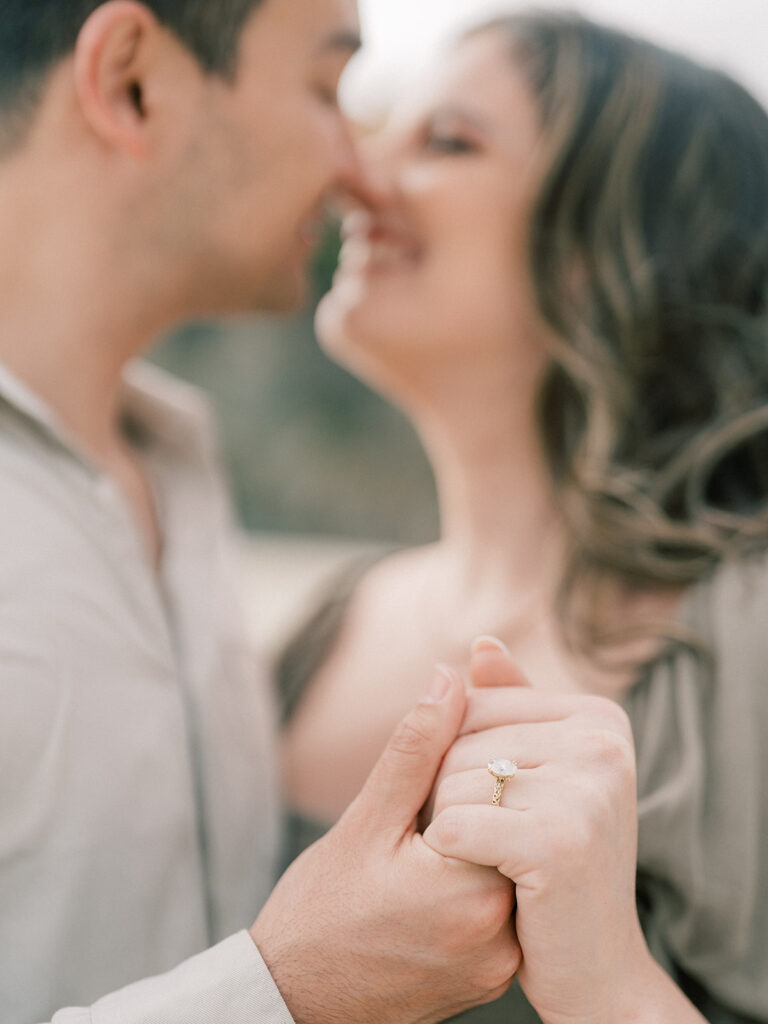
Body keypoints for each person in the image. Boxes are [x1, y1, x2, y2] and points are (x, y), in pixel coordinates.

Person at [0, 1, 525, 1022]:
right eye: (328, 90)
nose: (358, 166)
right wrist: (287, 987)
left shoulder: (177, 469)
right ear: (130, 81)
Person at [279, 10, 768, 1022]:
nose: (354, 174)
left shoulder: (745, 644)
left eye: (446, 141)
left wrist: (611, 982)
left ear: (615, 245)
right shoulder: (326, 621)